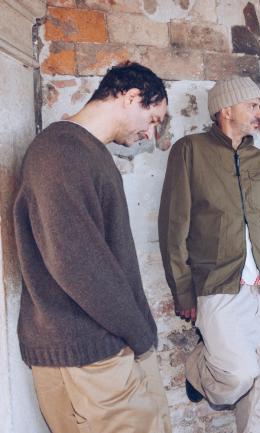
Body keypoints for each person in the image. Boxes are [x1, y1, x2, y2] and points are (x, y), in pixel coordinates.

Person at [13, 61, 171, 433]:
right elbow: (78, 266)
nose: (150, 134)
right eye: (153, 119)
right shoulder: (61, 153)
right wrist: (137, 333)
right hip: (90, 352)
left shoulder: (86, 152)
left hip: (93, 344)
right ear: (131, 97)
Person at [158, 76, 260, 433]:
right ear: (226, 109)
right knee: (239, 372)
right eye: (253, 105)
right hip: (218, 284)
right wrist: (183, 291)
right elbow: (174, 227)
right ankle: (198, 369)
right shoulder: (190, 151)